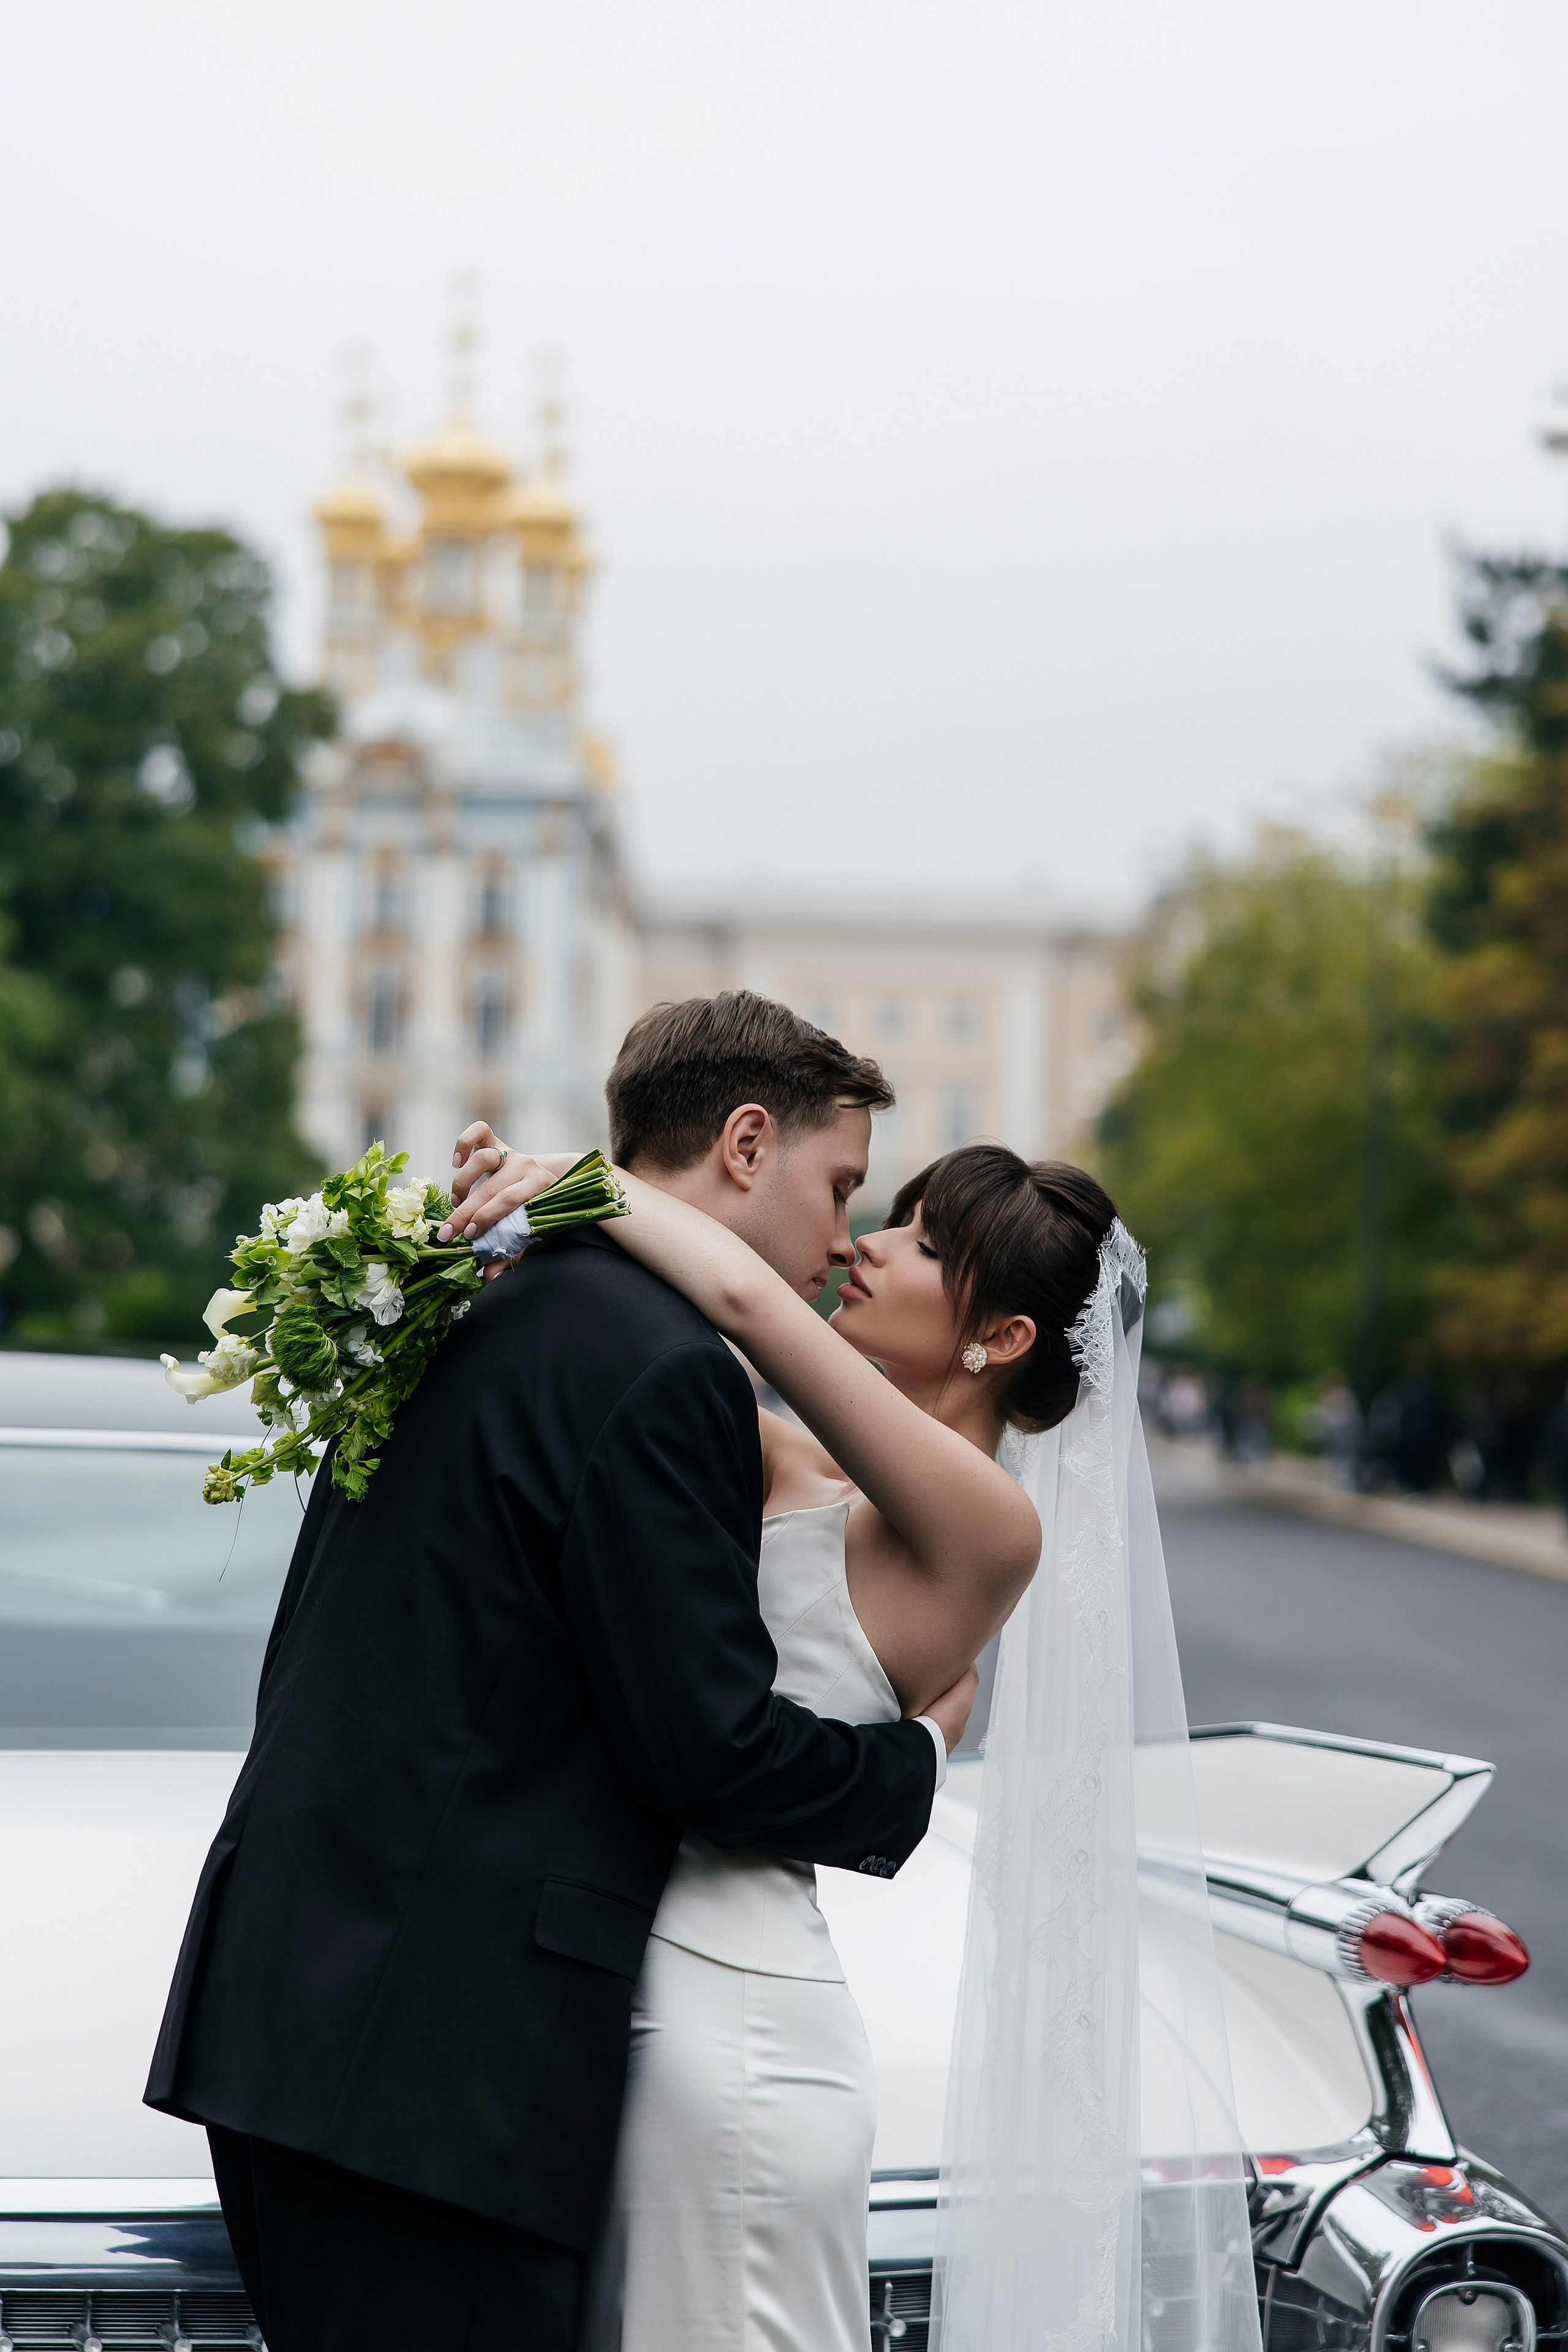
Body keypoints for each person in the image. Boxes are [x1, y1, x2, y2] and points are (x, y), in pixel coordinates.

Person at [143, 992, 973, 2352]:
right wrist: (915, 1755)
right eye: (840, 1186)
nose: (839, 1239)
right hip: (426, 2060)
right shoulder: (658, 1365)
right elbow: (706, 1752)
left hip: (316, 2003)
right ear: (745, 1144)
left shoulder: (495, 1289)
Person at [448, 1115, 1116, 2352]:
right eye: (886, 1217)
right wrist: (488, 1229)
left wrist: (570, 1185)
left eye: (920, 1242)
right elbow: (639, 1346)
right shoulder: (792, 1466)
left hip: (741, 2029)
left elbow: (745, 1301)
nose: (865, 1247)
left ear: (1002, 1338)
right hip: (624, 1989)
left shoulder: (986, 1527)